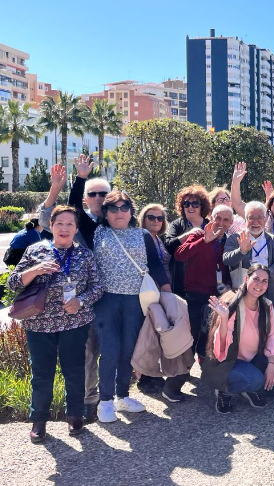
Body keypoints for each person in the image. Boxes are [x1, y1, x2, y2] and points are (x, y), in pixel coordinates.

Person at [8, 206, 103, 443]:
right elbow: (12, 283)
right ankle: (39, 421)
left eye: (70, 224)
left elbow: (98, 287)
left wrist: (80, 301)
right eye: (60, 223)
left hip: (74, 323)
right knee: (42, 374)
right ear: (51, 226)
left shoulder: (84, 254)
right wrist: (35, 270)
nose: (64, 228)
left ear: (76, 228)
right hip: (39, 324)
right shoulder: (35, 250)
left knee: (74, 370)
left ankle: (75, 416)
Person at [37, 156, 109, 424]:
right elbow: (50, 217)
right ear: (87, 198)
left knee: (114, 348)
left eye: (104, 193)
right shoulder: (78, 224)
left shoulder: (119, 221)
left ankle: (113, 395)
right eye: (94, 193)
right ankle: (89, 401)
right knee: (88, 351)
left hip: (113, 296)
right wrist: (78, 179)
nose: (99, 197)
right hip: (83, 299)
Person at [93, 191, 172, 423]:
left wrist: (167, 291)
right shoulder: (98, 232)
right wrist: (78, 179)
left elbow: (156, 264)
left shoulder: (143, 234)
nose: (119, 212)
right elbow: (73, 210)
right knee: (109, 351)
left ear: (131, 211)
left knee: (129, 349)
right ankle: (105, 401)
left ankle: (122, 396)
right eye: (113, 208)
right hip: (106, 300)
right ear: (105, 213)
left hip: (135, 300)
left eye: (124, 207)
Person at [203, 264, 274, 413]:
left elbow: (272, 337)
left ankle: (251, 387)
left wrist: (271, 365)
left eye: (264, 281)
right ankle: (225, 390)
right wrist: (225, 319)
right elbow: (220, 349)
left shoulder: (266, 306)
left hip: (253, 358)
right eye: (256, 279)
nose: (260, 284)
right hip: (229, 362)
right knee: (256, 379)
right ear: (246, 279)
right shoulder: (230, 305)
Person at [175, 205, 234, 360]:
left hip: (216, 296)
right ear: (211, 219)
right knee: (191, 332)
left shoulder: (229, 242)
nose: (221, 222)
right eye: (218, 218)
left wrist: (227, 284)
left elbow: (228, 268)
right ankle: (184, 369)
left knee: (209, 332)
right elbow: (179, 255)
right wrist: (204, 241)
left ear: (231, 223)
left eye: (226, 219)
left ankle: (205, 366)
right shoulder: (199, 234)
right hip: (195, 294)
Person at [223, 201, 274, 330]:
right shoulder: (235, 239)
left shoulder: (273, 241)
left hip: (271, 295)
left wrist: (263, 278)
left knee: (272, 334)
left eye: (259, 217)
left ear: (265, 219)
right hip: (243, 296)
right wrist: (241, 251)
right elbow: (226, 259)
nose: (255, 221)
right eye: (251, 217)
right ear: (245, 219)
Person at [136, 203, 173, 394]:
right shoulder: (140, 238)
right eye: (151, 217)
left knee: (157, 334)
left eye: (160, 218)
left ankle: (153, 374)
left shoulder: (158, 239)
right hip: (148, 292)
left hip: (160, 291)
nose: (156, 221)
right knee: (146, 335)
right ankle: (143, 378)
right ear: (143, 218)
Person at [164, 185, 212, 296]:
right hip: (183, 285)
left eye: (195, 204)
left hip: (208, 283)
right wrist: (188, 235)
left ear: (202, 206)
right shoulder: (177, 224)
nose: (190, 207)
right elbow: (168, 246)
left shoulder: (210, 225)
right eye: (186, 204)